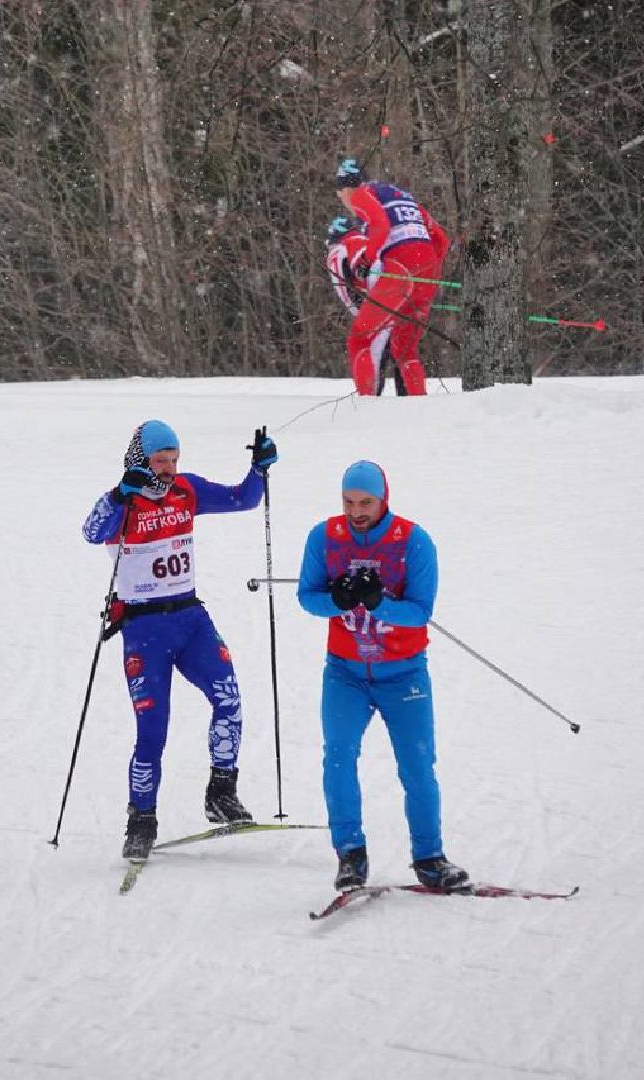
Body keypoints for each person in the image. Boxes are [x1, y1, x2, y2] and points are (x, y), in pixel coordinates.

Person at [82, 420, 280, 861]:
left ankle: (221, 792)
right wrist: (119, 495)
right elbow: (91, 531)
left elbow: (243, 499)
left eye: (174, 459)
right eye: (159, 461)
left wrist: (259, 468)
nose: (169, 469)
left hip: (191, 620)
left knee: (228, 699)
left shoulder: (186, 491)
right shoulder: (123, 502)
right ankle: (141, 821)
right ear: (139, 460)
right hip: (144, 630)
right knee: (152, 732)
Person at [295, 460, 470, 893]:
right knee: (338, 757)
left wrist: (379, 604)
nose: (356, 511)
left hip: (404, 673)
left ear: (384, 498)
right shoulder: (324, 536)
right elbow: (307, 597)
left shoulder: (413, 541)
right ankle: (350, 853)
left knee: (417, 767)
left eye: (366, 502)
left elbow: (420, 611)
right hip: (345, 673)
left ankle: (430, 858)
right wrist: (337, 600)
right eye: (349, 501)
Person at [333, 157, 451, 397]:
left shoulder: (360, 194)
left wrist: (367, 259)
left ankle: (364, 406)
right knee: (404, 349)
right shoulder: (403, 197)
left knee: (360, 339)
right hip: (428, 272)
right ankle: (418, 406)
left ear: (346, 189)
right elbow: (441, 239)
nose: (343, 200)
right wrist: (429, 271)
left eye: (340, 193)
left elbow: (380, 224)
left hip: (400, 269)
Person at [324, 215, 406, 396]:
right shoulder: (367, 242)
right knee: (401, 348)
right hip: (400, 283)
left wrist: (361, 313)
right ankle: (410, 400)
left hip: (380, 294)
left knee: (365, 345)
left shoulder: (338, 250)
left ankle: (369, 398)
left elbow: (343, 288)